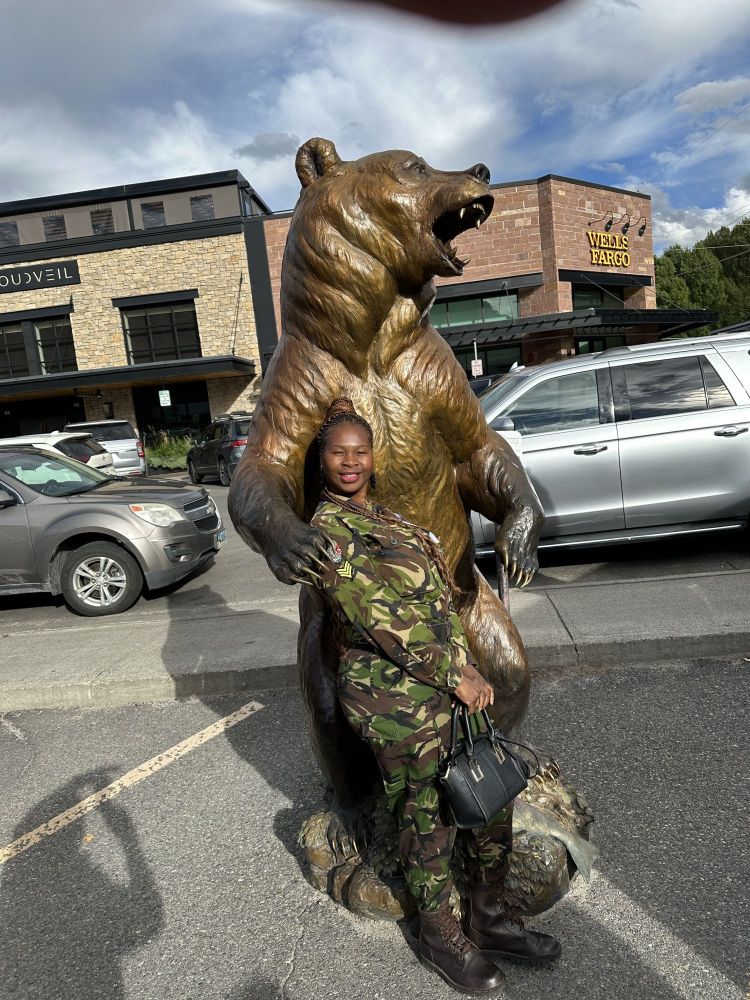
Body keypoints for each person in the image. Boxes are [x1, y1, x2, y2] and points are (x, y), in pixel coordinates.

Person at [301, 397, 560, 996]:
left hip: (446, 682)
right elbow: (375, 616)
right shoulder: (327, 533)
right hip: (391, 698)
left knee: (488, 793)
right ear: (323, 461)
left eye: (360, 452)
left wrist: (465, 664)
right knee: (427, 816)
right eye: (338, 453)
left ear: (373, 458)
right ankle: (440, 935)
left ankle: (489, 919)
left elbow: (437, 602)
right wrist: (454, 672)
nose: (350, 462)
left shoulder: (387, 519)